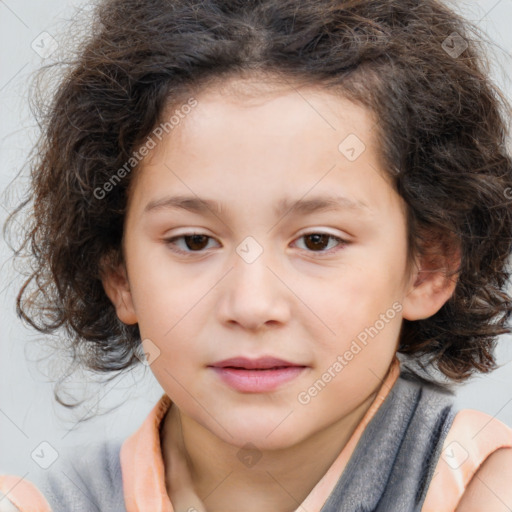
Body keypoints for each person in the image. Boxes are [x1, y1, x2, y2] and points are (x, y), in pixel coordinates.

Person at [1, 0, 512, 510]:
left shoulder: (484, 488)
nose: (251, 305)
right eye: (194, 241)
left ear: (427, 266)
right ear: (120, 276)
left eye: (317, 241)